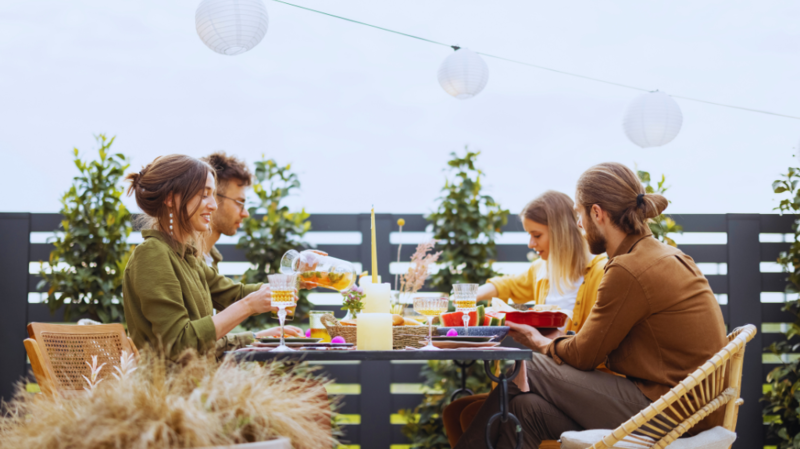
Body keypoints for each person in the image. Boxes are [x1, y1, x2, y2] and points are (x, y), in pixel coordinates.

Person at [454, 162, 727, 449]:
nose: (579, 225)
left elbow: (585, 355)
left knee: (529, 366)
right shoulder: (656, 255)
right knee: (526, 411)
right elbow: (595, 344)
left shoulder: (629, 268)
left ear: (596, 213)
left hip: (672, 414)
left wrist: (540, 342)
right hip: (685, 407)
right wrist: (562, 341)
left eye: (579, 214)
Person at [444, 190, 607, 448]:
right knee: (459, 411)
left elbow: (595, 344)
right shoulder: (543, 271)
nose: (531, 243)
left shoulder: (599, 272)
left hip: (570, 383)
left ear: (561, 231)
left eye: (537, 235)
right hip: (543, 377)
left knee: (488, 401)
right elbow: (506, 285)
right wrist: (467, 297)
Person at [123, 155, 296, 360]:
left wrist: (303, 277)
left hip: (200, 385)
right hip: (171, 390)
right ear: (170, 198)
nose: (213, 205)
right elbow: (179, 342)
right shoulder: (152, 254)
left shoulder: (186, 257)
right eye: (204, 195)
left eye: (213, 195)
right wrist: (249, 306)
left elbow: (234, 294)